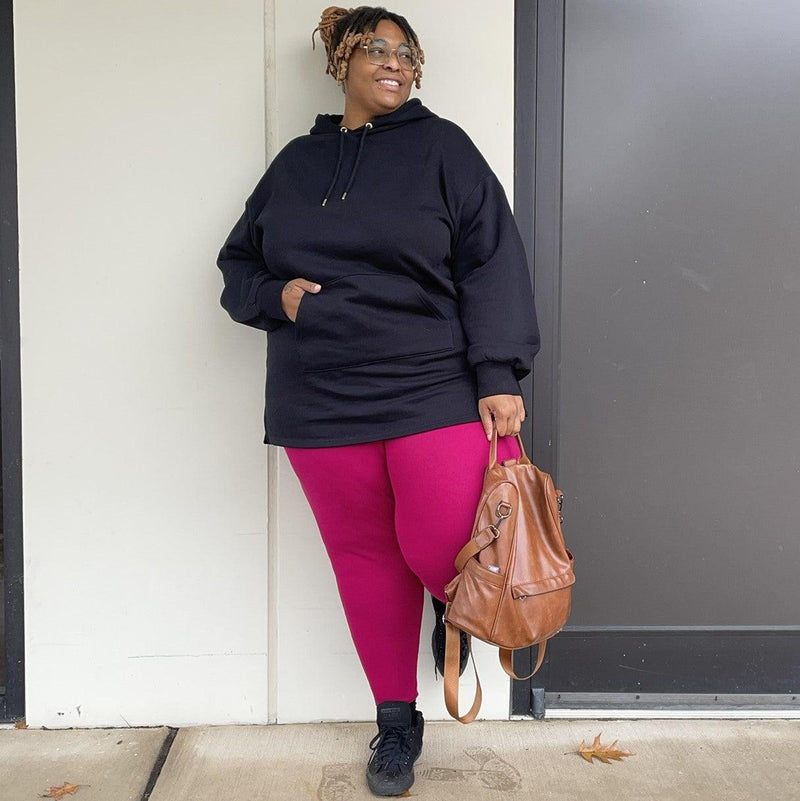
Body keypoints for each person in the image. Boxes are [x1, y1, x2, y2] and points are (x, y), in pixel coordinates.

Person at [217, 5, 540, 796]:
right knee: (363, 558)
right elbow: (237, 264)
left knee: (441, 546)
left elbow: (492, 260)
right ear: (341, 63)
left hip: (433, 383)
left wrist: (499, 373)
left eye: (406, 52)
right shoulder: (298, 163)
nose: (395, 62)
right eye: (376, 49)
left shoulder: (443, 148)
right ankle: (396, 720)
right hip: (320, 394)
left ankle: (454, 611)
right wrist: (275, 295)